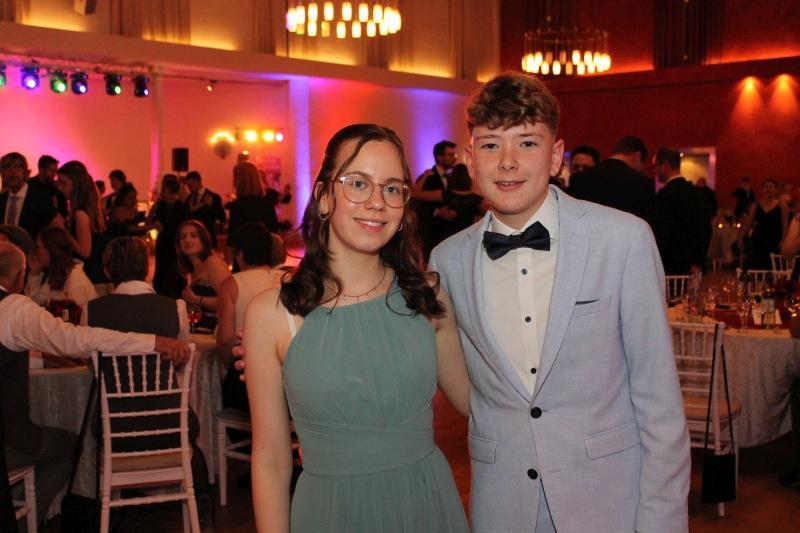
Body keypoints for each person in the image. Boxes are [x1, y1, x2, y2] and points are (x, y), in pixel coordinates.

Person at [429, 72, 689, 532]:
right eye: (490, 145)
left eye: (527, 143)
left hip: (608, 505)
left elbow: (660, 405)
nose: (507, 162)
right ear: (470, 159)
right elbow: (473, 393)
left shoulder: (623, 240)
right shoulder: (447, 260)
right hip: (502, 507)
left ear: (555, 156)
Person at [244, 124, 470, 532]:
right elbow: (271, 460)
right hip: (330, 513)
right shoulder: (271, 315)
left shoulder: (427, 299)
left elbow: (481, 403)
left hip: (425, 506)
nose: (376, 202)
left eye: (392, 188)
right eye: (358, 183)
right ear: (324, 197)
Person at [0, 241, 189, 527]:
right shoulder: (13, 308)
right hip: (8, 442)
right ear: (19, 276)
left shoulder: (91, 308)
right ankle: (29, 524)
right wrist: (152, 341)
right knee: (69, 446)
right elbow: (77, 341)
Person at [81, 236, 214, 529]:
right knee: (191, 436)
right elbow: (181, 358)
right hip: (169, 426)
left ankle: (112, 509)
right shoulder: (174, 307)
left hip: (114, 430)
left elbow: (92, 367)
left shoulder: (92, 309)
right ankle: (203, 511)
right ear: (147, 269)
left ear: (107, 270)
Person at [568, 135, 655, 220]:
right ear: (637, 157)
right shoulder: (643, 183)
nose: (642, 168)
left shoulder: (578, 178)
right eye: (643, 163)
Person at [650, 147, 707, 274]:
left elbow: (661, 233)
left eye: (655, 166)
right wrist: (697, 261)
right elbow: (705, 228)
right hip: (693, 265)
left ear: (665, 166)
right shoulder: (696, 192)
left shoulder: (665, 195)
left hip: (670, 265)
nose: (654, 171)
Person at [56, 160, 109, 283]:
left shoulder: (80, 213)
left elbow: (85, 251)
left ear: (76, 184)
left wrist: (62, 228)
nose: (60, 187)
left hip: (89, 276)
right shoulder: (91, 207)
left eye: (64, 183)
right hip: (98, 275)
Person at [25, 226, 97, 307]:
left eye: (38, 247)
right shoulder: (55, 273)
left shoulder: (75, 283)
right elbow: (34, 306)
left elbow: (78, 314)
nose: (35, 252)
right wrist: (34, 274)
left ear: (52, 250)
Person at [412, 140, 459, 258]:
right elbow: (415, 204)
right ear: (439, 157)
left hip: (449, 234)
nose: (454, 158)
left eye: (455, 155)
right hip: (432, 235)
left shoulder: (452, 177)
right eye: (450, 155)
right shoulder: (427, 177)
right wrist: (437, 212)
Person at [0, 152, 57, 240]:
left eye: (17, 167)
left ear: (25, 172)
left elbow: (48, 231)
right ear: (1, 173)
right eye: (7, 167)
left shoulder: (41, 198)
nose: (12, 172)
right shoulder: (1, 199)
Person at [177, 219, 230, 314]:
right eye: (183, 237)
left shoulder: (212, 262)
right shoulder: (189, 270)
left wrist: (196, 299)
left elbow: (229, 301)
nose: (187, 240)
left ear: (203, 240)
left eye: (193, 236)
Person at [150, 175, 190, 298]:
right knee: (161, 268)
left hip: (175, 242)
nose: (166, 195)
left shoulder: (181, 206)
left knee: (175, 270)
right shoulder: (161, 205)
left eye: (169, 192)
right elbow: (154, 220)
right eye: (165, 192)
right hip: (163, 241)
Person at [740, 179, 789, 269]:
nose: (768, 189)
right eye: (766, 187)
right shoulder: (756, 205)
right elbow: (748, 223)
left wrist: (784, 239)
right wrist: (741, 238)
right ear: (762, 189)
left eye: (771, 187)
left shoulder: (782, 205)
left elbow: (785, 223)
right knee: (758, 267)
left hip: (775, 239)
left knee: (774, 267)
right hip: (759, 239)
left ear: (775, 190)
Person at [227, 162, 279, 236]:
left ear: (240, 181)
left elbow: (233, 235)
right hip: (264, 242)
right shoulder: (267, 203)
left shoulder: (237, 205)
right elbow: (273, 230)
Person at [185, 171, 226, 248]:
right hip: (193, 240)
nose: (188, 188)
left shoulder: (214, 197)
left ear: (197, 182)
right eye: (187, 186)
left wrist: (211, 205)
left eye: (190, 185)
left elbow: (222, 218)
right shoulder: (189, 199)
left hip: (208, 238)